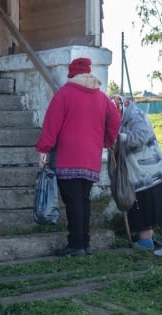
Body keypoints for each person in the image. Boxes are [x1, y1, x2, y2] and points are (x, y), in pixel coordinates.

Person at [36, 57, 121, 257]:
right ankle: (84, 243)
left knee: (73, 201)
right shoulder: (101, 97)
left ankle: (76, 246)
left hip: (68, 158)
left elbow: (51, 124)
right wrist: (107, 141)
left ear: (72, 74)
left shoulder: (64, 94)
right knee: (83, 200)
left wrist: (44, 149)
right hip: (91, 159)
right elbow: (115, 118)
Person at [111, 95, 162, 256]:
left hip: (153, 172)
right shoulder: (123, 118)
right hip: (140, 174)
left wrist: (119, 138)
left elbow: (141, 137)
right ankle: (146, 241)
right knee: (141, 207)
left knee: (160, 208)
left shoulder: (135, 116)